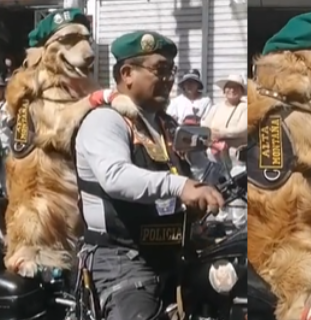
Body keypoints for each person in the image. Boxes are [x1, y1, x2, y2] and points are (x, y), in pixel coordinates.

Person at [74, 31, 225, 320]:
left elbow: (186, 177)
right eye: (160, 69)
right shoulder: (106, 120)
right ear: (127, 73)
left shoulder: (164, 126)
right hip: (121, 261)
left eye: (171, 70)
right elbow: (115, 177)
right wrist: (179, 186)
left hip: (170, 255)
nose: (169, 78)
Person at [201, 74, 247, 171]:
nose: (232, 90)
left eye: (236, 87)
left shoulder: (245, 107)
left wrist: (220, 133)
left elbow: (243, 129)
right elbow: (205, 125)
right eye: (229, 87)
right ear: (224, 90)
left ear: (241, 91)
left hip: (235, 156)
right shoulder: (216, 107)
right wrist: (209, 134)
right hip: (214, 154)